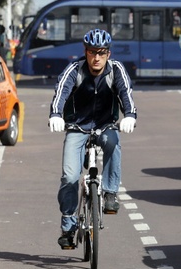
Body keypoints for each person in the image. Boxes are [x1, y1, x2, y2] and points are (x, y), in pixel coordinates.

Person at [48, 28, 137, 249]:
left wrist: (131, 116)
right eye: (92, 52)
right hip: (77, 127)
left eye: (101, 52)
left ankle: (109, 193)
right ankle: (68, 226)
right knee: (69, 177)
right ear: (85, 52)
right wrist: (56, 114)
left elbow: (126, 94)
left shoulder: (116, 70)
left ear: (108, 53)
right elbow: (61, 92)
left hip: (105, 124)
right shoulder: (74, 70)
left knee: (112, 142)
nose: (96, 58)